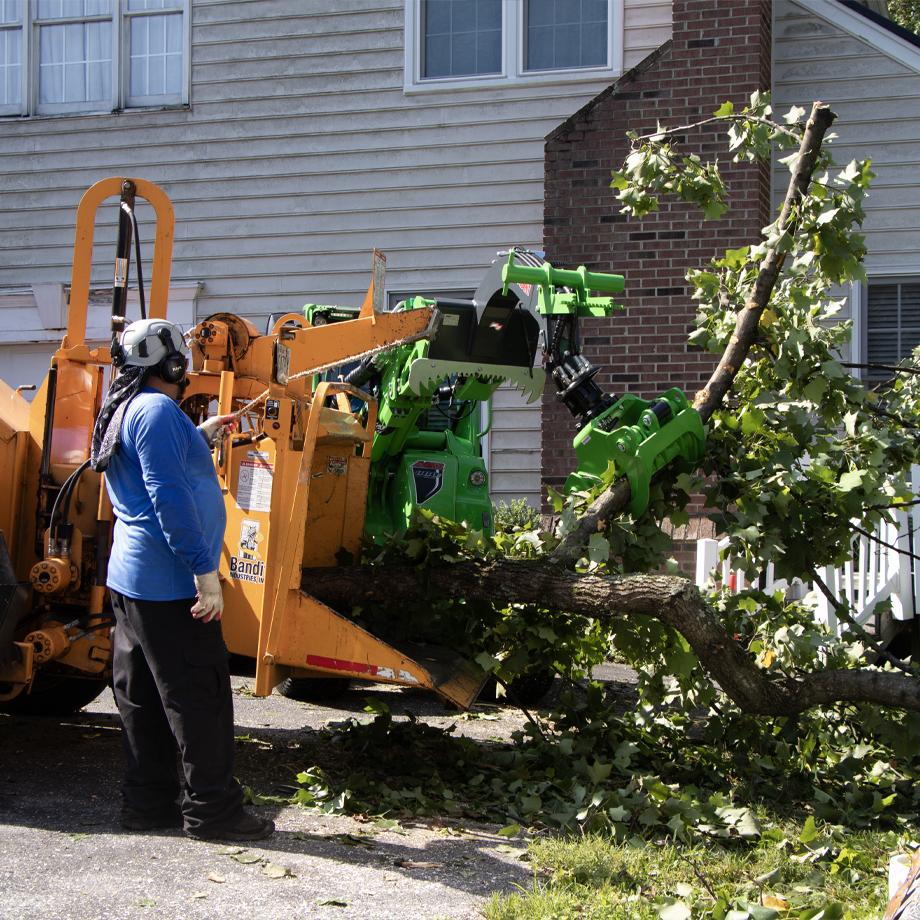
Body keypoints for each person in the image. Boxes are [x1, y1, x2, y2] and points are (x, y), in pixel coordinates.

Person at [90, 318, 274, 842]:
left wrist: (200, 434)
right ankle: (214, 813)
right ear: (172, 365)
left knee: (143, 696)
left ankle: (148, 806)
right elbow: (169, 497)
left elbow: (151, 459)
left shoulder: (127, 407)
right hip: (172, 585)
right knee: (199, 697)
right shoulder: (156, 410)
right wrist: (204, 572)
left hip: (132, 583)